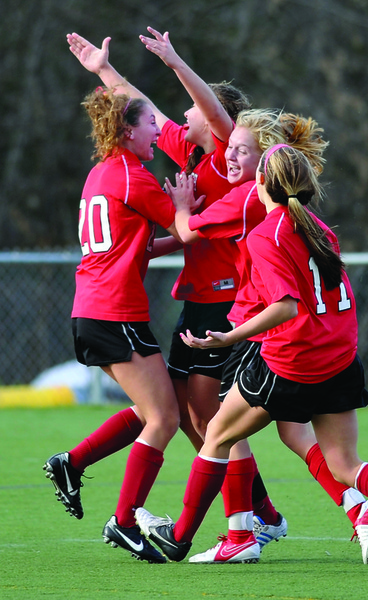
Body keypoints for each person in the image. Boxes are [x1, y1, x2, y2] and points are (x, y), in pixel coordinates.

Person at [134, 145, 368, 573]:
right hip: (339, 360)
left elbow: (286, 306)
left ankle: (181, 540)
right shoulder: (320, 229)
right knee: (345, 465)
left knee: (215, 434)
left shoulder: (265, 234)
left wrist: (229, 336)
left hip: (293, 362)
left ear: (261, 183)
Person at [66, 31, 285, 539]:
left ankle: (245, 528)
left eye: (190, 111)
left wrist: (173, 60)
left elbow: (194, 115)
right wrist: (103, 71)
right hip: (197, 302)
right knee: (188, 417)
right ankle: (262, 516)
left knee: (211, 419)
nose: (176, 118)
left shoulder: (229, 157)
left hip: (227, 303)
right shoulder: (189, 155)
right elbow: (136, 112)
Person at [168, 109, 368, 564]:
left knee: (220, 430)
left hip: (258, 332)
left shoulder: (248, 198)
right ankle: (354, 504)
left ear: (265, 162)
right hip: (291, 335)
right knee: (291, 433)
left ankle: (236, 534)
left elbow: (187, 230)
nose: (230, 155)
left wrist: (182, 207)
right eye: (229, 148)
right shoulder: (273, 199)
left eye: (241, 150)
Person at [43, 86, 198, 563]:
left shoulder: (101, 173)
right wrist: (187, 201)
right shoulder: (134, 177)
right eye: (152, 123)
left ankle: (72, 463)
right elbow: (187, 230)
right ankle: (125, 521)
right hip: (114, 311)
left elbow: (141, 246)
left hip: (93, 310)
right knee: (166, 417)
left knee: (157, 406)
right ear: (128, 130)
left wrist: (180, 222)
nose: (159, 131)